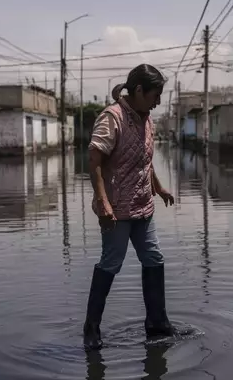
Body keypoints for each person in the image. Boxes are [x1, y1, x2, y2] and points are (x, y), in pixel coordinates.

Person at [83, 64, 176, 350]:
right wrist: (102, 202)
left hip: (143, 206)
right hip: (117, 210)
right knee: (112, 262)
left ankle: (157, 325)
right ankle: (91, 329)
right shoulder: (113, 118)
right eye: (154, 95)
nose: (158, 102)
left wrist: (158, 187)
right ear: (138, 90)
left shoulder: (147, 120)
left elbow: (144, 161)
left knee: (154, 258)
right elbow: (94, 161)